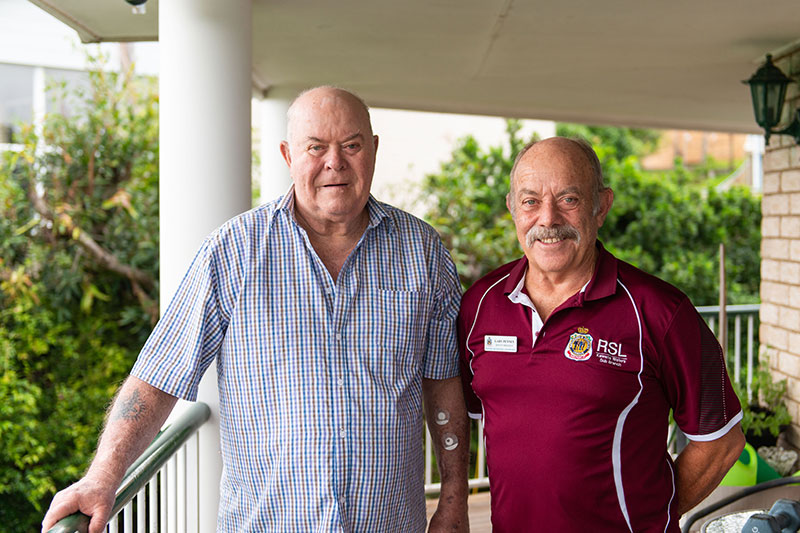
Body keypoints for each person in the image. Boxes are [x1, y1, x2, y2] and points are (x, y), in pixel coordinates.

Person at [42, 87, 470, 533]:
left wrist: (454, 501)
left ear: (374, 150)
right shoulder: (232, 252)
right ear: (288, 155)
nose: (335, 163)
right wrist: (103, 477)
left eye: (352, 145)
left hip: (389, 523)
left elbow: (443, 383)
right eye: (315, 147)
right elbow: (157, 377)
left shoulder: (422, 252)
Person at [458, 137, 745, 532]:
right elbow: (474, 419)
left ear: (601, 206)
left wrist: (651, 516)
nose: (548, 219)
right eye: (530, 201)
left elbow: (721, 442)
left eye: (569, 199)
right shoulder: (480, 305)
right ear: (511, 207)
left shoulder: (660, 311)